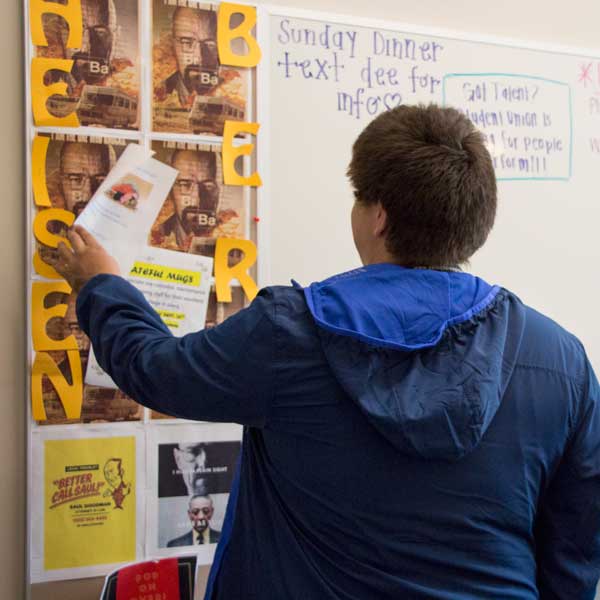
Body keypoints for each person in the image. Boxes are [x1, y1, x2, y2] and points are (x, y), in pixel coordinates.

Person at [51, 104, 600, 599]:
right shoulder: (562, 363)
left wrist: (102, 285)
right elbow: (576, 546)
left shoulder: (291, 333)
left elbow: (156, 369)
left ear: (378, 215)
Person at [151, 149, 220, 252]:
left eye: (207, 186)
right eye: (185, 185)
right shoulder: (154, 236)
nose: (197, 199)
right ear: (171, 190)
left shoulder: (226, 233)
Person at [158, 7, 219, 107]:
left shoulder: (229, 91)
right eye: (186, 42)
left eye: (209, 45)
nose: (199, 57)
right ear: (173, 45)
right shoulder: (157, 92)